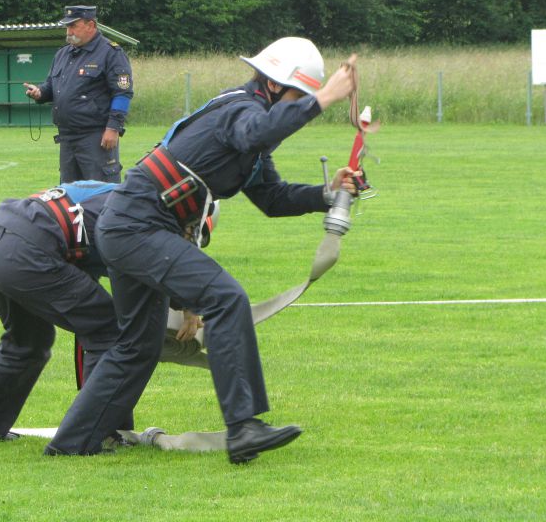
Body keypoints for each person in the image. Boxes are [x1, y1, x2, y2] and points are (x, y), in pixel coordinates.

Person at [45, 36, 359, 463]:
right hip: (138, 225)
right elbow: (260, 129)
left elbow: (272, 198)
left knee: (137, 346)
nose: (297, 109)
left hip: (130, 226)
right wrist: (323, 99)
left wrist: (328, 193)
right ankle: (244, 427)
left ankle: (71, 442)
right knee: (226, 297)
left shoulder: (247, 137)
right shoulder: (241, 113)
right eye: (297, 98)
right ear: (274, 85)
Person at [0, 180, 205, 445]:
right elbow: (147, 277)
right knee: (108, 330)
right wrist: (189, 303)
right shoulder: (146, 217)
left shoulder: (118, 193)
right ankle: (101, 432)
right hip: (30, 252)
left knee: (28, 340)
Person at [23, 5, 133, 183]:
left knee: (100, 195)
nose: (68, 31)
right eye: (67, 27)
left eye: (73, 26)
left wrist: (113, 128)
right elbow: (52, 85)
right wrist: (40, 92)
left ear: (90, 25)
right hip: (67, 138)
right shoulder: (62, 54)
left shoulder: (110, 53)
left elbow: (123, 93)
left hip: (96, 138)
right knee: (69, 197)